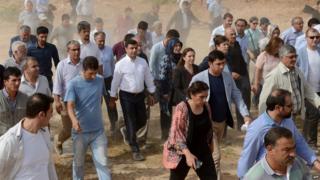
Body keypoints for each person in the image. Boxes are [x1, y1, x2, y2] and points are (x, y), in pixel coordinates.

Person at [191, 50, 252, 178]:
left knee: (210, 152)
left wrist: (245, 114)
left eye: (223, 63)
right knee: (216, 157)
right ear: (210, 63)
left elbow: (236, 94)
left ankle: (204, 173)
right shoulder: (198, 78)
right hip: (206, 123)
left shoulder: (227, 76)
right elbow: (189, 100)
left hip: (222, 121)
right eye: (218, 64)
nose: (222, 66)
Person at [238, 89, 320, 179]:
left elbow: (299, 142)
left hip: (289, 171)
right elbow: (247, 157)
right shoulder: (257, 128)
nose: (293, 108)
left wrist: (314, 161)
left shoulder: (288, 121)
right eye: (289, 106)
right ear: (278, 108)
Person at [65, 56, 111, 179]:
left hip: (98, 131)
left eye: (95, 73)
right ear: (83, 69)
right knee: (79, 163)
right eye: (90, 73)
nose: (93, 76)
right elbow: (69, 106)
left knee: (103, 163)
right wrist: (74, 121)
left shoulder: (100, 80)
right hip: (80, 132)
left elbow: (100, 98)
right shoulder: (73, 84)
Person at [110, 39, 156, 161]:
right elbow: (115, 81)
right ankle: (135, 149)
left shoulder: (142, 62)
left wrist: (152, 92)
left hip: (140, 95)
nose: (134, 50)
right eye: (131, 48)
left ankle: (127, 132)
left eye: (136, 48)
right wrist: (113, 96)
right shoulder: (120, 64)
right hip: (126, 97)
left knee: (142, 120)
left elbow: (148, 77)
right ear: (126, 49)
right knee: (130, 121)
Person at [162, 81, 217, 180]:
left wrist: (211, 143)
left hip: (202, 150)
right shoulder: (182, 108)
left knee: (211, 177)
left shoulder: (206, 106)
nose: (204, 100)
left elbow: (209, 127)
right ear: (192, 95)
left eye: (206, 96)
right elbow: (176, 134)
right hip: (182, 152)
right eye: (201, 97)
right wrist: (188, 154)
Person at [0, 93, 57, 180]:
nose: (52, 116)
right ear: (41, 115)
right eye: (51, 112)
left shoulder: (44, 133)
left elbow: (49, 166)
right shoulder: (10, 141)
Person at [259, 44, 320, 120]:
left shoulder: (297, 71)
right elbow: (264, 101)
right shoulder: (273, 76)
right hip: (282, 119)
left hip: (296, 116)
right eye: (291, 57)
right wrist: (264, 121)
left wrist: (318, 103)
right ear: (281, 58)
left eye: (295, 56)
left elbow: (307, 89)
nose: (294, 59)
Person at [244, 127, 311, 180]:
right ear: (270, 149)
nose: (293, 154)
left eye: (293, 148)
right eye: (287, 150)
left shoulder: (298, 163)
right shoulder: (254, 177)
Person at [53, 40, 82, 155]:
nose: (76, 52)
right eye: (73, 50)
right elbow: (57, 84)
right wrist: (57, 101)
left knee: (80, 126)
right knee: (68, 129)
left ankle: (79, 150)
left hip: (82, 102)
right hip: (66, 101)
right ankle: (59, 141)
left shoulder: (84, 64)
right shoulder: (62, 65)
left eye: (78, 49)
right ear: (68, 51)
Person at [149, 29, 180, 139]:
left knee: (168, 108)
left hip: (170, 84)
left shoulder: (175, 53)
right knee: (162, 107)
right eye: (173, 41)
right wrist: (153, 84)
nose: (175, 45)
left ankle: (169, 133)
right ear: (168, 38)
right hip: (159, 81)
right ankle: (163, 133)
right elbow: (151, 66)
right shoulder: (157, 48)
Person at [296, 28, 320, 149]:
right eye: (312, 37)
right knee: (314, 114)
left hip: (318, 90)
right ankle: (311, 143)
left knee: (311, 116)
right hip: (305, 91)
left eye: (317, 37)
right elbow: (294, 69)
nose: (315, 39)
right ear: (306, 38)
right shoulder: (300, 52)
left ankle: (305, 141)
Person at [225, 27, 251, 130]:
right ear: (225, 35)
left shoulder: (236, 44)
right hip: (232, 76)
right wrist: (231, 72)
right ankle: (238, 123)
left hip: (243, 73)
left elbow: (240, 58)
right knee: (237, 97)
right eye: (231, 34)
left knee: (246, 95)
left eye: (234, 34)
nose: (234, 36)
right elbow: (224, 61)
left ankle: (245, 121)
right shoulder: (225, 47)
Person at [94, 31, 118, 136]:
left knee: (111, 102)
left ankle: (114, 124)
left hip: (108, 80)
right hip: (95, 81)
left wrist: (114, 81)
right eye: (99, 41)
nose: (101, 43)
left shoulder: (109, 50)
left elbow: (113, 65)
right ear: (95, 41)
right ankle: (96, 126)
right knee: (96, 104)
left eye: (103, 40)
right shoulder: (92, 51)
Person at [158, 38, 183, 136]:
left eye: (179, 46)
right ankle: (165, 134)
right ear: (170, 47)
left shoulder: (182, 58)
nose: (178, 48)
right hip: (167, 89)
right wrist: (164, 92)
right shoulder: (166, 58)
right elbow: (162, 76)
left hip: (179, 89)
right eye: (175, 46)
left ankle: (178, 133)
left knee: (181, 111)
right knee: (166, 112)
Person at [252, 37, 284, 106]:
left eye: (281, 47)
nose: (280, 49)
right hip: (264, 85)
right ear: (273, 46)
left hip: (277, 86)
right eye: (278, 47)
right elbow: (257, 70)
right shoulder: (263, 55)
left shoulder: (280, 56)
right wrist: (256, 84)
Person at [27, 26, 60, 91]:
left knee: (49, 98)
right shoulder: (30, 49)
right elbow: (26, 65)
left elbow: (57, 63)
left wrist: (60, 76)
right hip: (34, 78)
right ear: (37, 36)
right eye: (42, 37)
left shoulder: (52, 47)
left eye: (45, 37)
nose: (44, 39)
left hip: (48, 77)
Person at [0, 67, 28, 136]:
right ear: (5, 82)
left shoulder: (25, 98)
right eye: (14, 80)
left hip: (19, 138)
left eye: (19, 80)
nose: (17, 83)